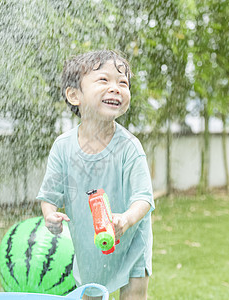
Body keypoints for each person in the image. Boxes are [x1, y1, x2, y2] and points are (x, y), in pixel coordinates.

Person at [37, 50, 154, 300]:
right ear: (74, 95)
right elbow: (49, 194)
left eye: (123, 83)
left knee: (133, 294)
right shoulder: (63, 147)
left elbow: (144, 197)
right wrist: (50, 215)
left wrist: (127, 219)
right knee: (90, 293)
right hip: (89, 245)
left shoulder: (129, 147)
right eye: (104, 80)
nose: (116, 88)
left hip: (131, 238)